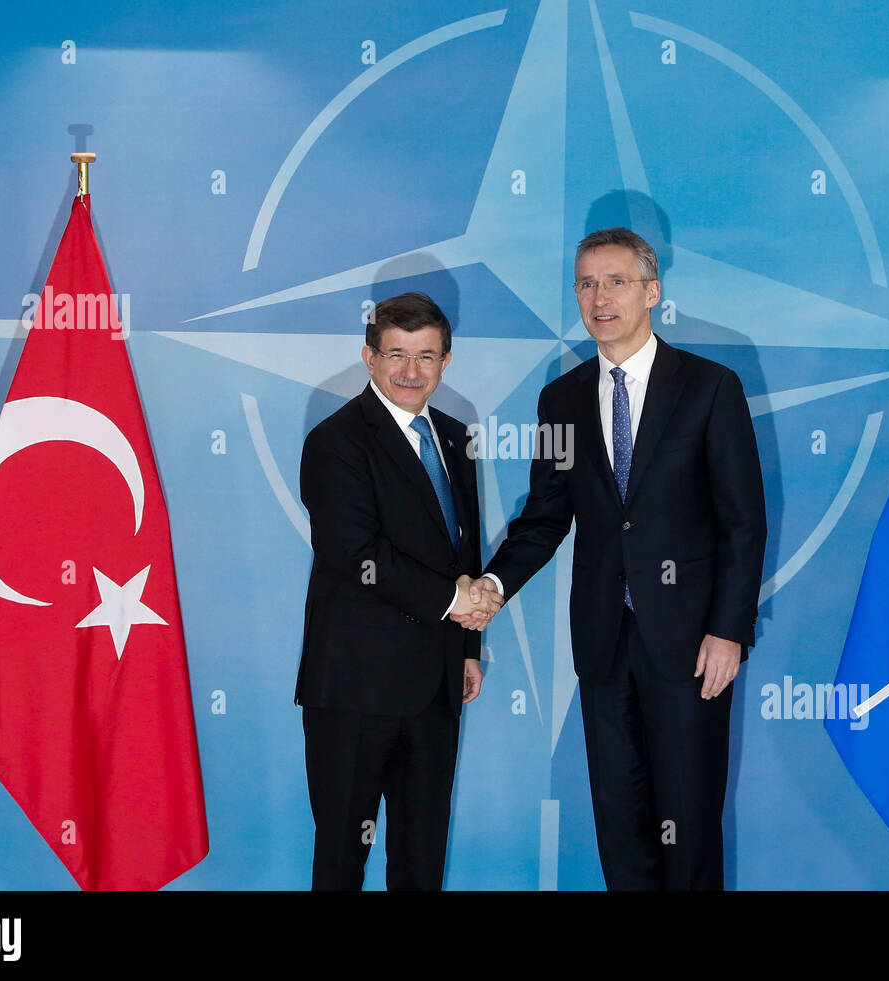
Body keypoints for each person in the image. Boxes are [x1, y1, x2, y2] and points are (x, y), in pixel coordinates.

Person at [458, 228, 766, 889]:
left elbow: (744, 522)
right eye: (587, 284)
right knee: (620, 829)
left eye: (617, 282)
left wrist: (728, 628)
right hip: (603, 644)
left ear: (652, 292)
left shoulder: (710, 387)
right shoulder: (561, 399)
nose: (601, 298)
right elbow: (545, 515)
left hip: (690, 646)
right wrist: (491, 583)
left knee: (687, 825)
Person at [296, 291, 502, 890]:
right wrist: (455, 601)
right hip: (355, 686)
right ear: (369, 357)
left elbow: (462, 551)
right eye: (396, 355)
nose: (411, 371)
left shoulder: (457, 438)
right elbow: (356, 555)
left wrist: (465, 648)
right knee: (342, 855)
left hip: (435, 683)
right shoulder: (336, 441)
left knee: (421, 856)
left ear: (446, 361)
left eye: (426, 356)